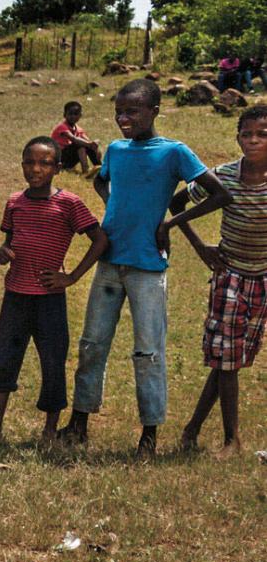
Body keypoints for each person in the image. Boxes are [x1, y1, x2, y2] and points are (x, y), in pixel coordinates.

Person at [64, 79, 231, 456]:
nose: (124, 119)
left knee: (148, 350)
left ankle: (149, 434)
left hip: (146, 267)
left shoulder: (174, 152)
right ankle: (78, 422)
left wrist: (167, 223)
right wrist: (114, 208)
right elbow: (102, 182)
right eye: (119, 112)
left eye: (133, 112)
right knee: (92, 343)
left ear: (154, 111)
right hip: (109, 262)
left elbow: (220, 193)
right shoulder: (118, 151)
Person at [0, 137, 106, 447]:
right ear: (22, 164)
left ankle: (49, 432)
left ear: (58, 168)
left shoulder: (69, 203)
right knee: (5, 359)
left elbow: (100, 240)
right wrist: (2, 252)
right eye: (30, 162)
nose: (36, 169)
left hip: (49, 299)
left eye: (45, 163)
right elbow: (9, 243)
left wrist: (71, 277)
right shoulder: (15, 202)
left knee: (52, 362)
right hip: (16, 296)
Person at [178, 104, 267, 457]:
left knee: (230, 360)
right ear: (237, 138)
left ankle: (191, 429)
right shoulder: (225, 176)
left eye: (262, 133)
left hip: (262, 280)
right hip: (229, 275)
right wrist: (200, 246)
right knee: (227, 361)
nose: (254, 140)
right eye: (247, 134)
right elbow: (177, 204)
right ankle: (232, 440)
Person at [51, 100, 102, 173]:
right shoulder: (62, 127)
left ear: (80, 115)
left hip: (68, 159)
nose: (73, 116)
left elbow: (89, 142)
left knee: (87, 145)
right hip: (59, 159)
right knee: (79, 144)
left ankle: (100, 168)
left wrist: (94, 145)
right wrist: (89, 144)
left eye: (75, 114)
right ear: (64, 115)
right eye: (70, 114)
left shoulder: (78, 129)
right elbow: (74, 139)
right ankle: (85, 170)